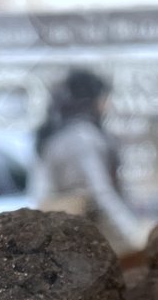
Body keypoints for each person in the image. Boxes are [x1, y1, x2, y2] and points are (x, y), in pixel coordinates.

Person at [33, 69, 149, 252]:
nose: (107, 104)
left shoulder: (55, 136)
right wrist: (133, 234)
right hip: (91, 233)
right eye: (104, 98)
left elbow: (40, 190)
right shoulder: (84, 137)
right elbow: (101, 192)